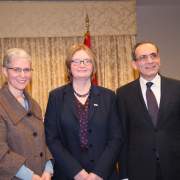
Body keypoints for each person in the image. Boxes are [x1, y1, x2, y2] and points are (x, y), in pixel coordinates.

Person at [44, 44, 123, 180]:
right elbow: (52, 139)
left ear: (93, 66)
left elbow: (116, 138)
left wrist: (98, 173)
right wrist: (76, 172)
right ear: (69, 66)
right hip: (67, 174)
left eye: (87, 61)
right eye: (76, 61)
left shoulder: (108, 97)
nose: (82, 65)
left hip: (104, 175)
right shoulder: (56, 97)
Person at [116, 41, 180, 180]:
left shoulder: (177, 88)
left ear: (159, 59)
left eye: (153, 55)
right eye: (143, 57)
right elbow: (123, 136)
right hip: (139, 170)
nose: (150, 61)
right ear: (134, 64)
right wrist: (124, 175)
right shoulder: (123, 94)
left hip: (175, 167)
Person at [0, 48, 53, 180]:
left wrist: (48, 169)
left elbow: (42, 141)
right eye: (17, 70)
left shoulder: (35, 105)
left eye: (27, 70)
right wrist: (30, 176)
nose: (23, 75)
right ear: (4, 71)